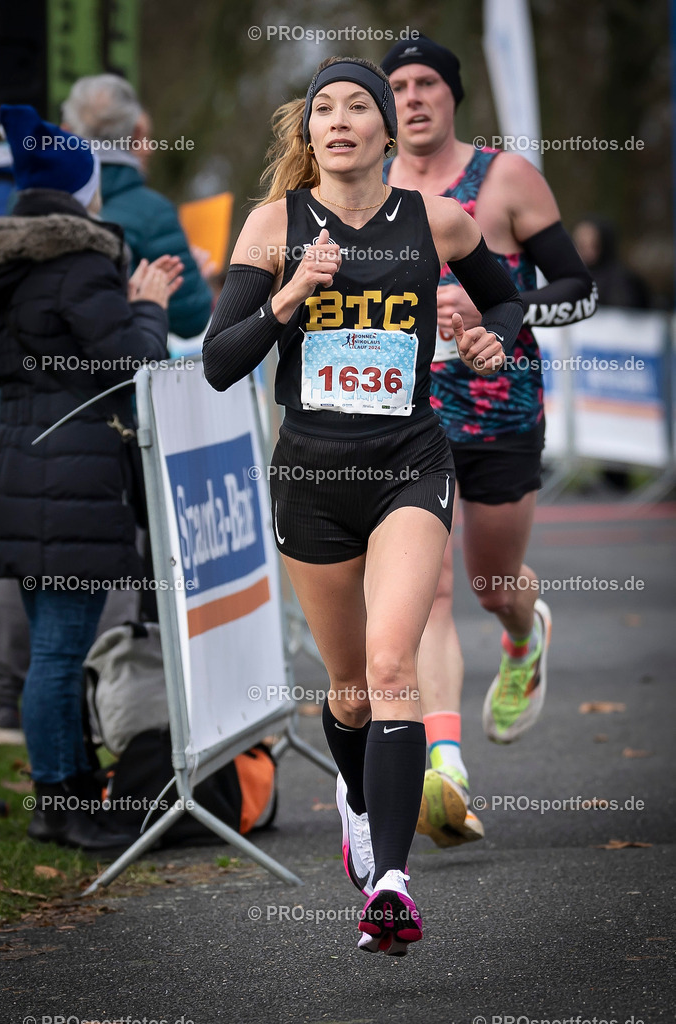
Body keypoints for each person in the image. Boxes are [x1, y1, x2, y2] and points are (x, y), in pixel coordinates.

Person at [203, 56, 524, 956]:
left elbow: (508, 311)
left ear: (390, 132)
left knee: (393, 667)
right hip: (311, 477)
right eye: (323, 110)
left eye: (359, 107)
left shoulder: (439, 220)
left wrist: (486, 341)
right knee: (347, 692)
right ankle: (354, 792)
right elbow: (220, 360)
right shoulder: (274, 224)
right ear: (307, 135)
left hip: (408, 464)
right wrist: (294, 293)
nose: (339, 119)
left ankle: (390, 882)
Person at [379, 36, 597, 848]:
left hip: (501, 408)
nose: (412, 98)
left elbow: (579, 290)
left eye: (426, 82)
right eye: (396, 85)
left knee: (488, 582)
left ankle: (520, 631)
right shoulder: (373, 188)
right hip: (407, 416)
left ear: (452, 94)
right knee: (424, 588)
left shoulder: (503, 180)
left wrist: (497, 314)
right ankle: (445, 765)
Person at [0, 105, 181, 849]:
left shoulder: (12, 264)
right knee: (60, 651)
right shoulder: (80, 264)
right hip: (72, 472)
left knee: (51, 646)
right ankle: (59, 803)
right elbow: (129, 366)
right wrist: (150, 309)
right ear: (82, 188)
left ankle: (69, 791)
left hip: (21, 460)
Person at [61, 74, 212, 339]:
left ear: (66, 130)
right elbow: (192, 318)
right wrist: (193, 274)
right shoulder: (153, 214)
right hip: (120, 375)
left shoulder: (24, 198)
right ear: (137, 133)